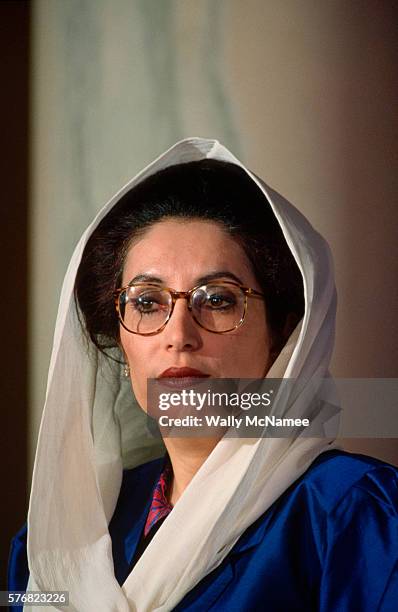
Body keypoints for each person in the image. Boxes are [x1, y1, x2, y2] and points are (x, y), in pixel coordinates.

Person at [9, 138, 398, 611]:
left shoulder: (351, 513)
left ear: (284, 334)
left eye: (217, 299)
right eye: (147, 302)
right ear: (120, 339)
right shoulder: (61, 541)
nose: (178, 334)